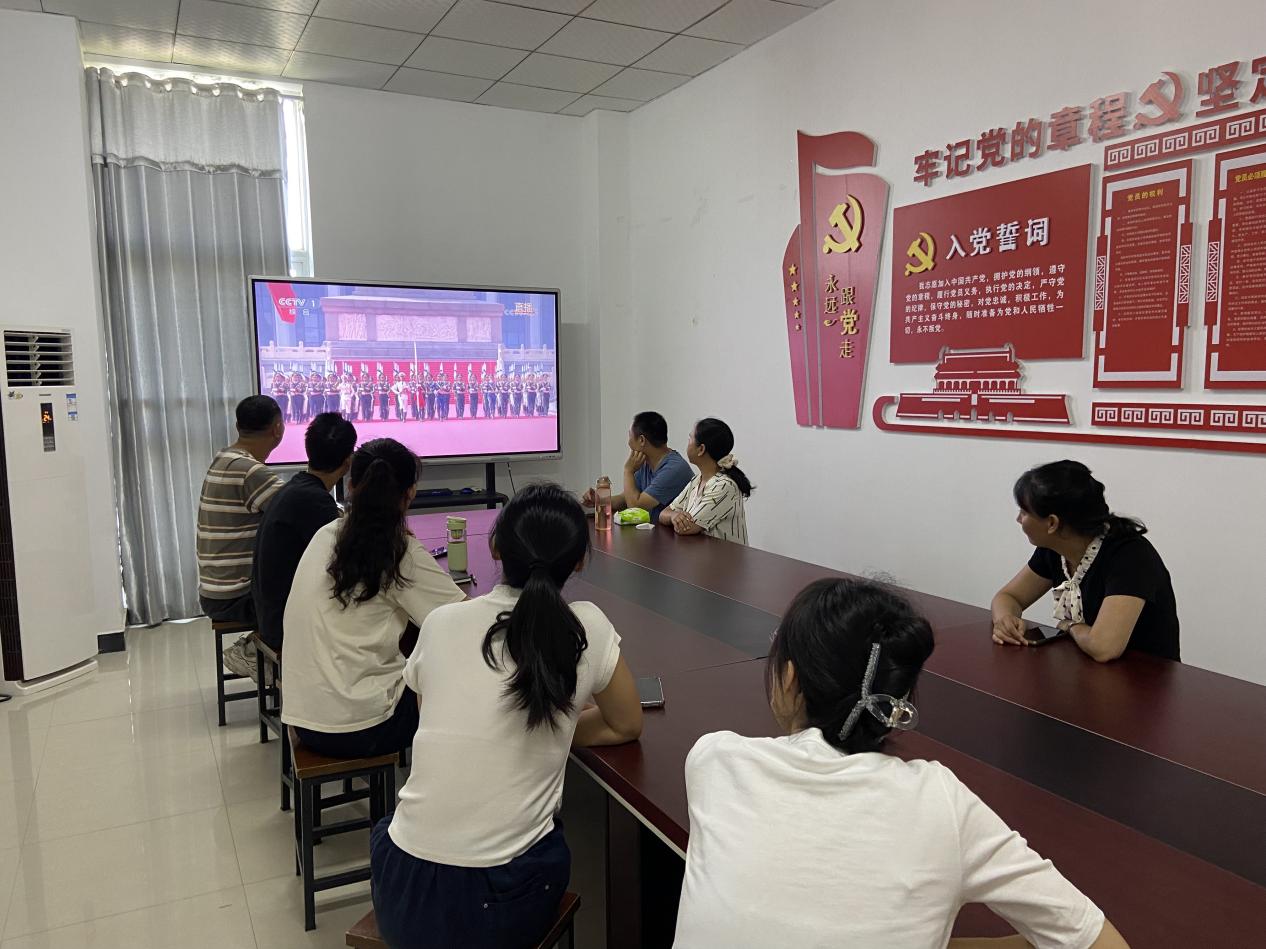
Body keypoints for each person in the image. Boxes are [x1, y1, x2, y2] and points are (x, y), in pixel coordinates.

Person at [672, 577, 1129, 949]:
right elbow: (1098, 942)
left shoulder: (716, 760)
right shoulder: (940, 801)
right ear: (896, 700)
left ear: (789, 678)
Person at [370, 484, 644, 949]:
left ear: (495, 547)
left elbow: (432, 717)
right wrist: (551, 727)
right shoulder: (586, 627)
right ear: (580, 561)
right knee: (549, 843)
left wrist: (530, 729)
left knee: (390, 825)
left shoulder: (440, 623)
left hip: (401, 888)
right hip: (495, 904)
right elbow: (626, 723)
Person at [281, 438, 465, 758]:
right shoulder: (398, 552)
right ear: (410, 493)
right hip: (363, 727)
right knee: (462, 674)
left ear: (351, 486)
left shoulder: (325, 535)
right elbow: (465, 621)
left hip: (304, 720)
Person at [990, 460, 1180, 663]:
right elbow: (1008, 597)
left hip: (1145, 676)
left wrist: (1071, 625)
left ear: (1052, 523)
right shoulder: (1054, 549)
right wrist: (1005, 620)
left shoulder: (1130, 555)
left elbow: (1104, 647)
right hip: (1086, 670)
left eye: (1024, 512)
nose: (1019, 519)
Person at [251, 413, 356, 653]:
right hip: (286, 626)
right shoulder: (315, 501)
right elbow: (343, 563)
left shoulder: (296, 488)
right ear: (348, 462)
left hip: (271, 614)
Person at [197, 395, 285, 680]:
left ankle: (262, 649)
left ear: (238, 426)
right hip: (237, 596)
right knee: (312, 597)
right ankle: (255, 650)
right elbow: (297, 510)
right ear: (278, 429)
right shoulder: (250, 471)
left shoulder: (224, 458)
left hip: (215, 593)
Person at [582, 412, 693, 525]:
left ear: (641, 440)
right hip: (653, 532)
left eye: (630, 436)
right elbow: (626, 498)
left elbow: (635, 507)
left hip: (673, 535)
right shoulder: (645, 462)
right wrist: (600, 500)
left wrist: (628, 471)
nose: (628, 442)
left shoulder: (674, 469)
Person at [658, 418, 752, 544]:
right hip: (699, 553)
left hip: (724, 557)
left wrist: (676, 518)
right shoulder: (697, 480)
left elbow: (686, 528)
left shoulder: (725, 485)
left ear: (701, 449)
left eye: (690, 438)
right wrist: (673, 516)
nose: (688, 443)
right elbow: (663, 514)